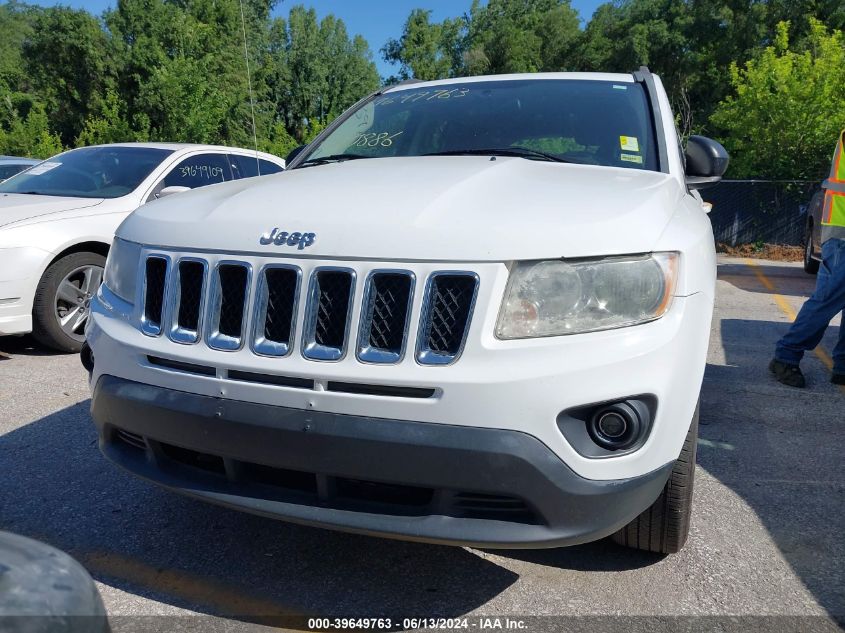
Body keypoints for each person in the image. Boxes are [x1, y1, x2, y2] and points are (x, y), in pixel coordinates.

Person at [770, 130, 845, 388]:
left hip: (838, 232)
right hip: (842, 235)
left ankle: (843, 366)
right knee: (828, 299)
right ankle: (786, 356)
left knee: (829, 297)